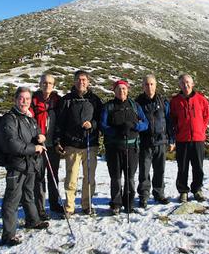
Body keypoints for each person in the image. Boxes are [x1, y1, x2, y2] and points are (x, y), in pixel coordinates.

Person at [0, 86, 48, 247]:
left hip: (30, 164)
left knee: (28, 195)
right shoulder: (9, 119)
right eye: (21, 98)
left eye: (27, 99)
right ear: (15, 99)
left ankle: (32, 221)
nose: (24, 102)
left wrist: (40, 137)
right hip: (16, 165)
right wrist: (34, 148)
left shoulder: (28, 117)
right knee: (12, 200)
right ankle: (8, 235)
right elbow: (12, 144)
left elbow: (34, 134)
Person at [55, 70, 103, 216]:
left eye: (84, 80)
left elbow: (101, 119)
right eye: (78, 79)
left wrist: (92, 124)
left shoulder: (95, 100)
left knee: (89, 177)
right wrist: (58, 140)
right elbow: (60, 123)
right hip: (72, 145)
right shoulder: (66, 100)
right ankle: (69, 207)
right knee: (71, 178)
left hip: (90, 144)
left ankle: (87, 205)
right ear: (74, 81)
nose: (81, 82)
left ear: (88, 82)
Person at [101, 80, 148, 214]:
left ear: (127, 90)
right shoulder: (108, 106)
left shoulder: (135, 106)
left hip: (132, 147)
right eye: (119, 89)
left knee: (130, 177)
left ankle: (129, 203)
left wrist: (134, 126)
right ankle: (116, 203)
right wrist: (116, 131)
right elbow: (103, 125)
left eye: (124, 89)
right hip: (113, 148)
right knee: (115, 177)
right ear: (114, 91)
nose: (122, 91)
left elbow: (145, 123)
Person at [170, 74, 209, 203]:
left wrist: (201, 129)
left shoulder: (201, 99)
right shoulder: (175, 101)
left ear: (192, 84)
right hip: (182, 139)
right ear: (179, 85)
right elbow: (172, 118)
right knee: (182, 167)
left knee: (198, 166)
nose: (185, 85)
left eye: (188, 82)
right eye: (182, 83)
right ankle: (183, 191)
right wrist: (177, 131)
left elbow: (206, 115)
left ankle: (197, 189)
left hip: (198, 139)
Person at [136, 74, 175, 208]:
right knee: (144, 171)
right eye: (146, 84)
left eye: (151, 84)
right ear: (143, 86)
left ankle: (159, 193)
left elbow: (169, 121)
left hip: (161, 141)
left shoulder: (163, 102)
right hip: (144, 142)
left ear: (156, 85)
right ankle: (143, 195)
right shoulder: (138, 102)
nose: (149, 87)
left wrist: (171, 139)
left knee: (160, 170)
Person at [32, 73, 63, 218]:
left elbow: (62, 121)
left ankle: (55, 204)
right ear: (40, 84)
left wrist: (59, 140)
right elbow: (29, 120)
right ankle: (40, 208)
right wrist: (36, 135)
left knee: (53, 175)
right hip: (39, 146)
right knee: (39, 177)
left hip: (53, 145)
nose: (47, 85)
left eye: (50, 83)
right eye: (44, 83)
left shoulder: (58, 100)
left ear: (54, 85)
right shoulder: (33, 100)